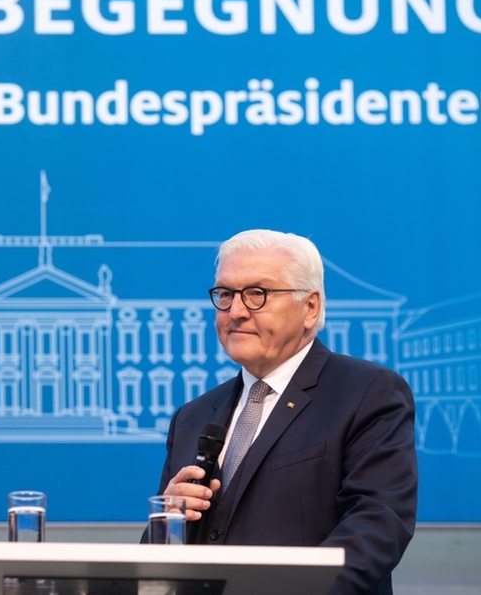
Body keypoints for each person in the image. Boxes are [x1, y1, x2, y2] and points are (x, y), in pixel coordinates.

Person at [151, 229, 417, 595]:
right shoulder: (193, 416)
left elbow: (377, 527)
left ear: (310, 307)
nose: (236, 312)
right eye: (225, 294)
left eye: (257, 294)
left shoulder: (366, 392)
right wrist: (169, 522)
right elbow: (159, 562)